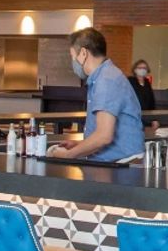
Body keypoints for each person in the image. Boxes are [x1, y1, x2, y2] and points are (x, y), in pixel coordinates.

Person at [47, 27, 146, 163]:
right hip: (115, 161)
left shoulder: (106, 80)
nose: (73, 61)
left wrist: (68, 155)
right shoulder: (103, 76)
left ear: (83, 53)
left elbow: (104, 136)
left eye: (73, 56)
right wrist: (80, 146)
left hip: (121, 164)